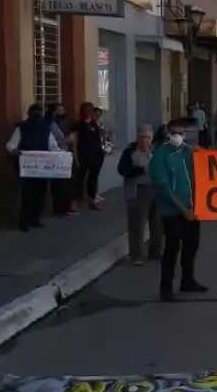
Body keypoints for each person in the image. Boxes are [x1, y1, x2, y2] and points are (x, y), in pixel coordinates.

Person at [149, 118, 207, 301]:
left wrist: (205, 154)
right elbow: (165, 189)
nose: (177, 137)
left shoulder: (188, 152)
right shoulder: (160, 156)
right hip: (172, 211)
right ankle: (166, 288)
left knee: (192, 245)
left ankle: (187, 280)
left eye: (181, 133)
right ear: (167, 133)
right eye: (174, 133)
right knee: (172, 248)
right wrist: (184, 211)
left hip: (193, 208)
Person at [6, 103, 62, 231]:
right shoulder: (45, 128)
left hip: (26, 166)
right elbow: (53, 147)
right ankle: (34, 219)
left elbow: (11, 146)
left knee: (28, 195)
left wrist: (18, 152)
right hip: (42, 167)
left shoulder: (22, 127)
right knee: (39, 194)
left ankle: (25, 222)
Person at [117, 125, 163, 265]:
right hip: (138, 190)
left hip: (156, 190)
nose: (145, 140)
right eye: (142, 137)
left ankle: (156, 251)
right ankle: (136, 255)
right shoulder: (130, 151)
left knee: (157, 223)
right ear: (137, 138)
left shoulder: (157, 150)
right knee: (137, 225)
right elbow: (122, 170)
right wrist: (139, 170)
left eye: (147, 137)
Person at [70, 102, 106, 210]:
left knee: (93, 178)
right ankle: (74, 202)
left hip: (96, 155)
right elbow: (74, 142)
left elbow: (100, 139)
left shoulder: (95, 125)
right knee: (79, 179)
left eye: (90, 110)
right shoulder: (78, 125)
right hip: (83, 155)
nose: (88, 112)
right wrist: (75, 157)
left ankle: (92, 200)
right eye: (86, 110)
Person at [45, 103, 72, 217]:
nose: (63, 112)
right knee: (59, 185)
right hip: (56, 156)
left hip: (63, 156)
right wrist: (67, 140)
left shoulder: (60, 123)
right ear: (54, 112)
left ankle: (64, 207)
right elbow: (57, 139)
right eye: (60, 110)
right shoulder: (51, 124)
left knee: (64, 184)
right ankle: (59, 209)